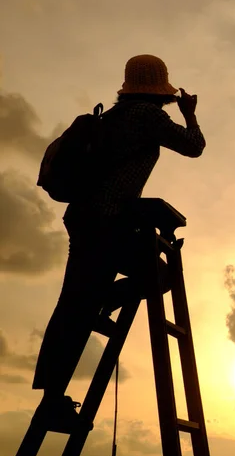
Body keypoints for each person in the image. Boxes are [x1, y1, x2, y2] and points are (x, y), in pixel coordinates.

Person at [32, 54, 206, 432]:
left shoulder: (110, 117)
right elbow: (194, 146)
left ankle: (52, 399)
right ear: (159, 89)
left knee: (73, 306)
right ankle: (103, 308)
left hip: (84, 219)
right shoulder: (147, 116)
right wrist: (190, 113)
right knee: (159, 277)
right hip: (107, 223)